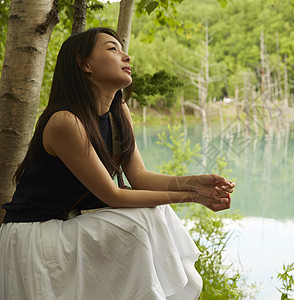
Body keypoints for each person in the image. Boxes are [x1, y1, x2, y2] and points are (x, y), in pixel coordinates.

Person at [0, 27, 235, 300]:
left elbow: (140, 177)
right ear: (85, 64)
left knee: (156, 212)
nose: (127, 57)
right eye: (113, 49)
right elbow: (112, 195)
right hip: (35, 237)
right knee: (144, 217)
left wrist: (196, 181)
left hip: (68, 225)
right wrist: (192, 196)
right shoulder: (65, 122)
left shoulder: (117, 113)